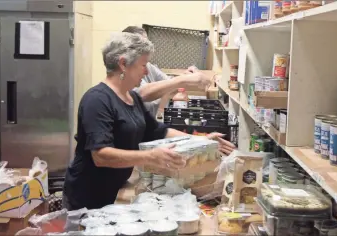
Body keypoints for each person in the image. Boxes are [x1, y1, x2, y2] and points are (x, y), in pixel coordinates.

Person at [62, 32, 235, 211]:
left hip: (115, 187)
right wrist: (149, 156)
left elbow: (159, 131)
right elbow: (101, 156)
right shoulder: (97, 100)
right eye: (143, 65)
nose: (146, 71)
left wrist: (202, 141)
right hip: (88, 195)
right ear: (123, 64)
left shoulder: (132, 98)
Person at [122, 26, 212, 117]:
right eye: (142, 45)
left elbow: (169, 83)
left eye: (147, 43)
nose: (147, 47)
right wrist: (184, 79)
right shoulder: (126, 69)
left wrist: (189, 75)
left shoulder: (149, 66)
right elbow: (142, 93)